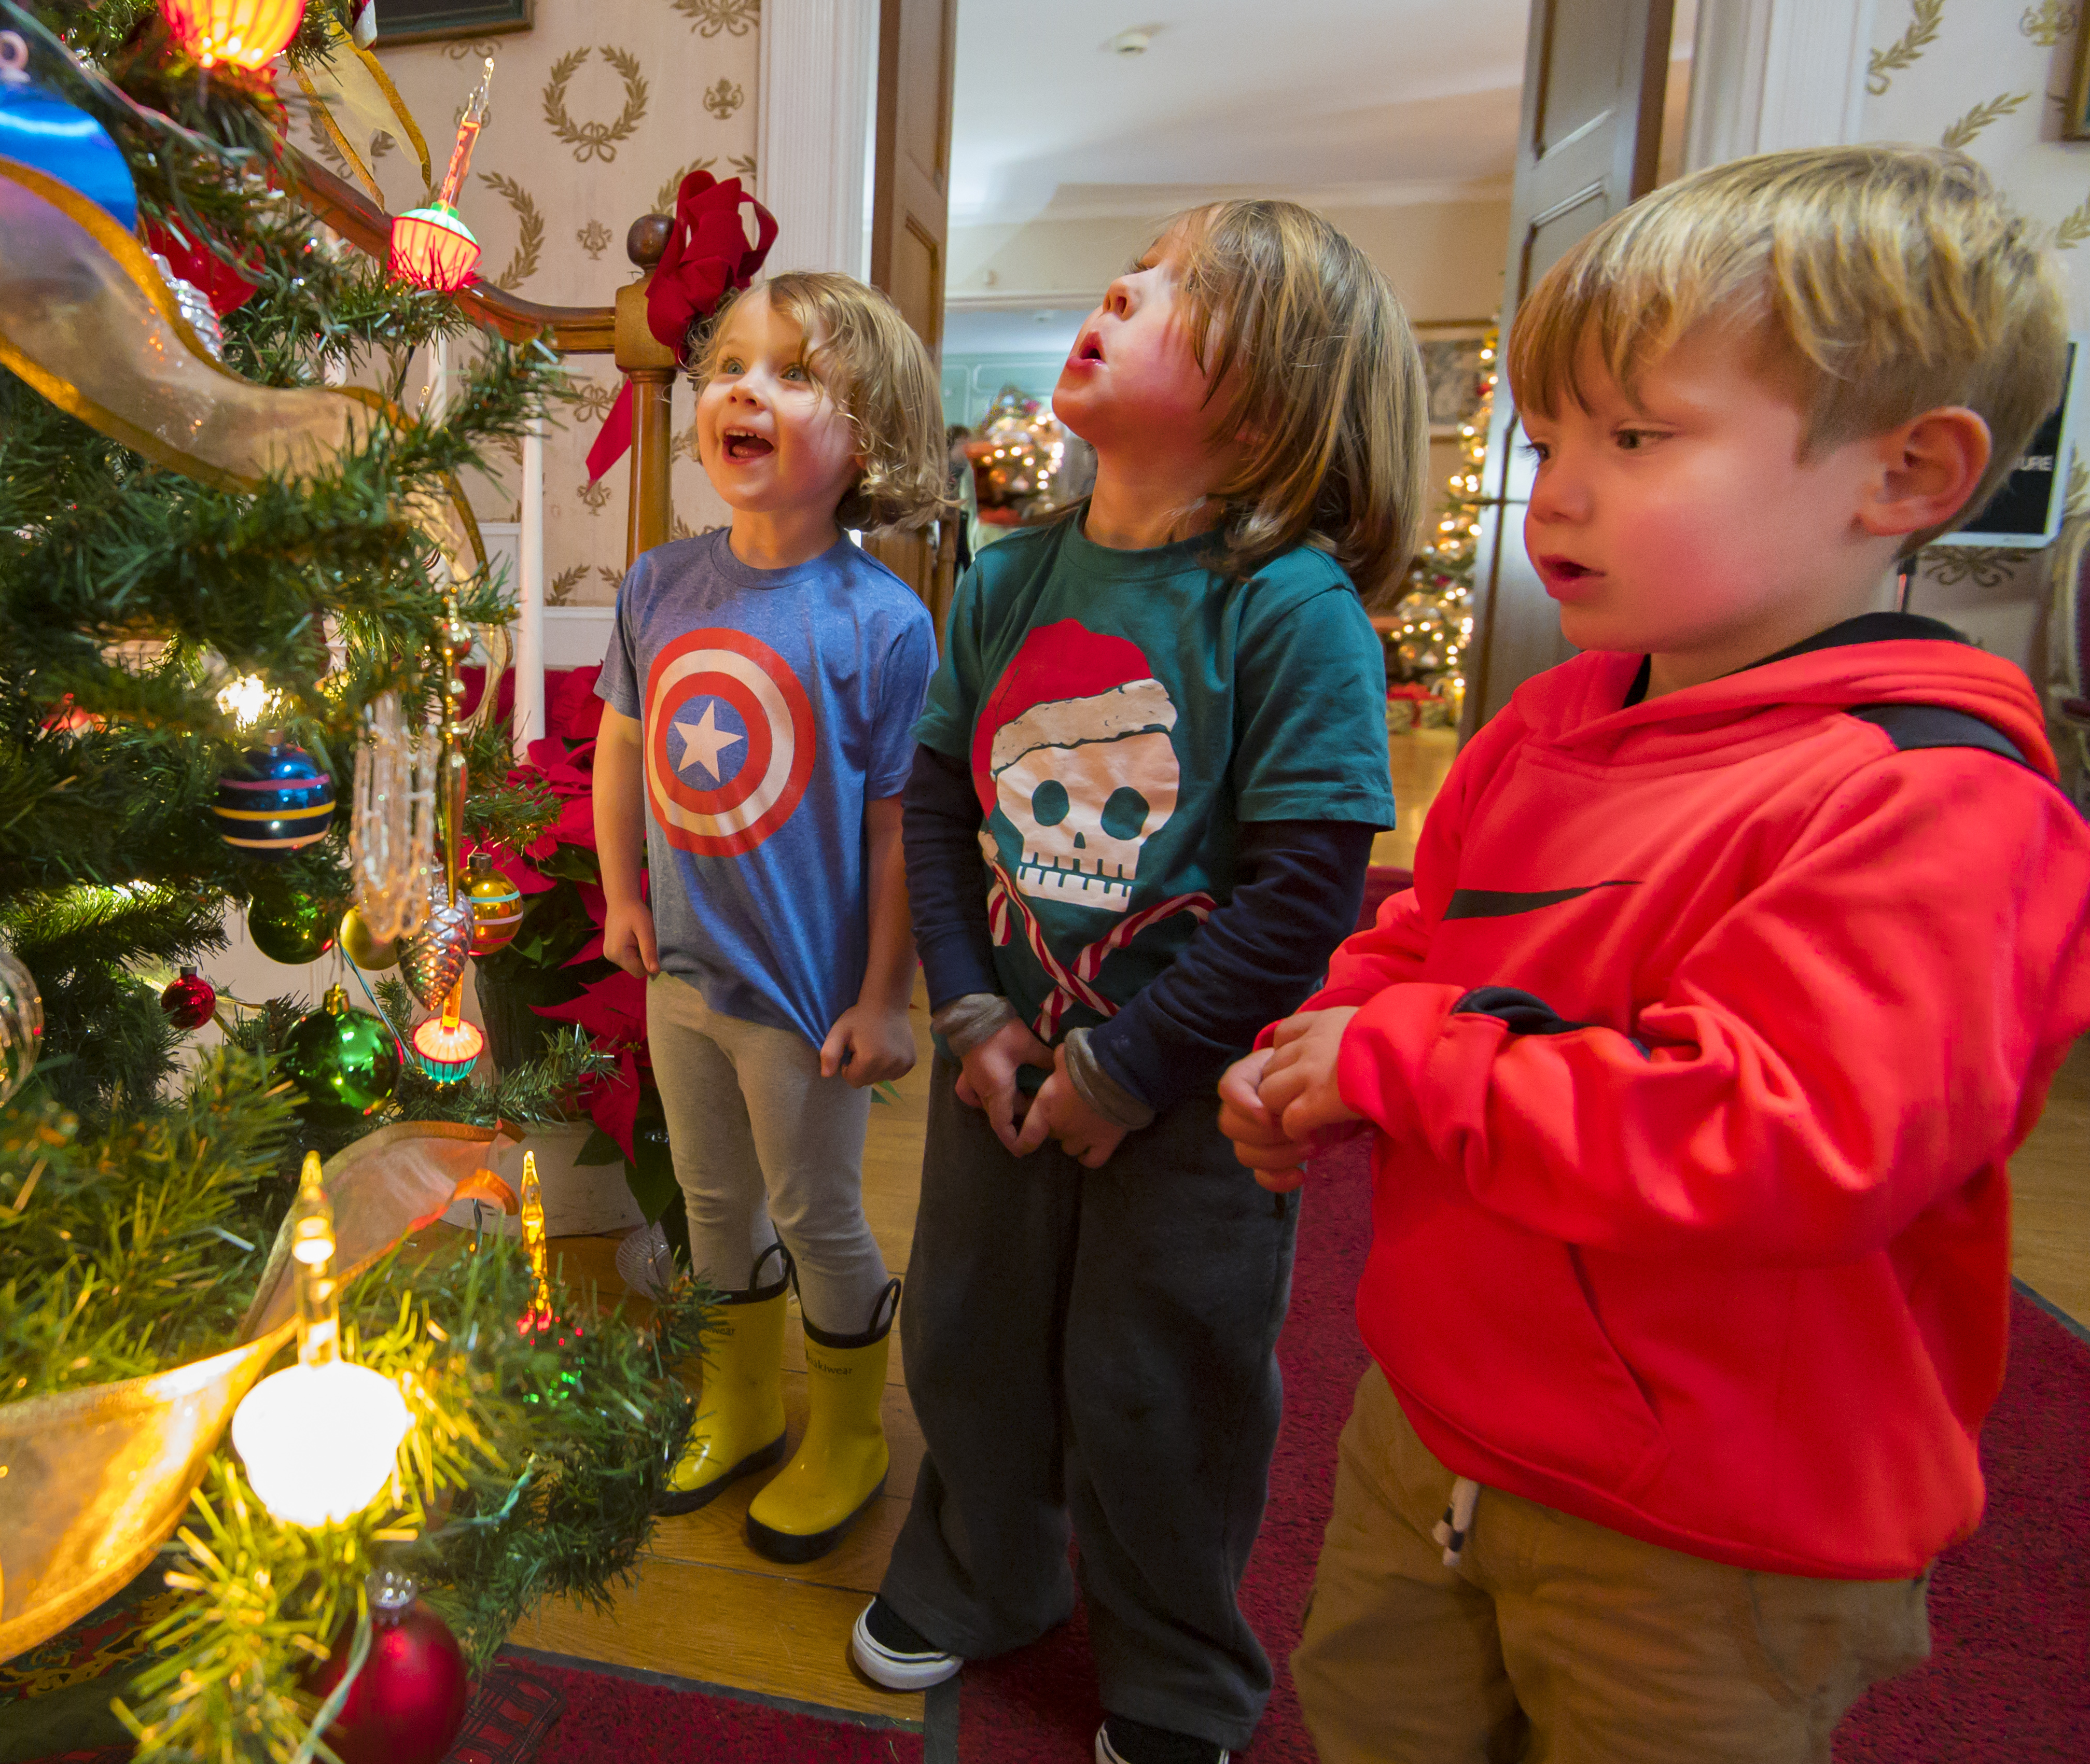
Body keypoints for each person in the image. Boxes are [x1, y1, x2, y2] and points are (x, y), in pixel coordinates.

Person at [1221, 145, 2090, 1761]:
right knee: (1369, 1715)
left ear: (1903, 475)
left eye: (1638, 437)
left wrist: (1399, 1058)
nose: (1554, 491)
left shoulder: (1940, 807)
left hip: (1707, 1530)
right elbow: (1424, 935)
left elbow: (1783, 1141)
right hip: (1438, 1425)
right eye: (1550, 440)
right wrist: (1322, 1043)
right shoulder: (1551, 723)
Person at [853, 200, 1426, 1764]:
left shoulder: (1292, 609)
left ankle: (1176, 1668)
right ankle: (983, 1570)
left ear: (1275, 390)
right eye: (1137, 270)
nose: (1122, 286)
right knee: (969, 1332)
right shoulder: (1001, 580)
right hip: (1001, 1063)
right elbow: (936, 807)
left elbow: (1306, 885)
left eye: (1178, 290)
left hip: (1189, 1103)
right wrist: (972, 1011)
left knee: (1161, 1376)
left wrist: (1131, 1069)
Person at [595, 271, 948, 1563]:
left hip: (805, 999)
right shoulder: (657, 588)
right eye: (733, 365)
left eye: (797, 375)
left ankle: (848, 1428)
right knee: (709, 1204)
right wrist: (623, 894)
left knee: (816, 1215)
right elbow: (621, 751)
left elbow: (896, 825)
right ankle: (739, 1400)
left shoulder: (883, 623)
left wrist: (881, 996)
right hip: (679, 973)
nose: (747, 387)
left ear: (871, 441)